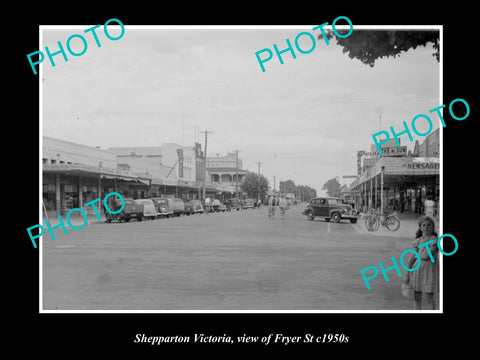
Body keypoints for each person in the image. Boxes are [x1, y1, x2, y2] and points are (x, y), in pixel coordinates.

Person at [404, 215, 439, 310]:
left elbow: (427, 255)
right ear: (420, 227)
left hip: (430, 271)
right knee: (417, 297)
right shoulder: (418, 241)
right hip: (417, 271)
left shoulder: (435, 240)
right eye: (424, 225)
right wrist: (407, 273)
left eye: (429, 225)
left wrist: (417, 255)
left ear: (433, 227)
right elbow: (412, 258)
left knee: (429, 298)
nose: (426, 227)